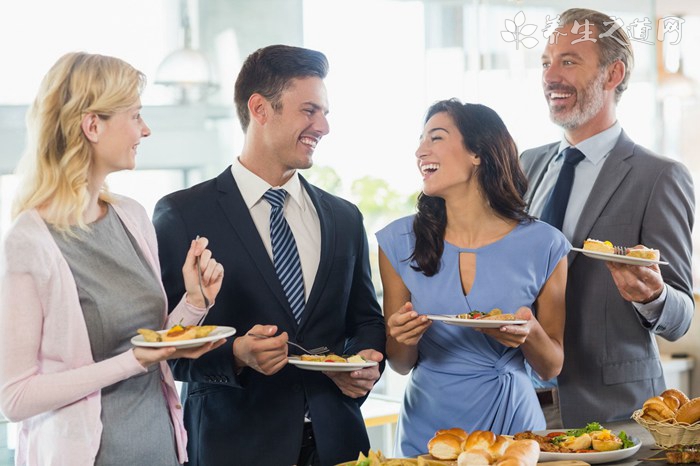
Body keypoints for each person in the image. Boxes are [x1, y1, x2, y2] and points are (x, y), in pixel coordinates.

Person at [152, 44, 386, 466]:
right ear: (260, 109)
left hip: (340, 445)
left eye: (326, 112)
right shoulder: (183, 214)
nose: (324, 127)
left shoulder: (344, 217)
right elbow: (164, 348)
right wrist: (236, 354)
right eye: (310, 111)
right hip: (234, 447)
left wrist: (369, 360)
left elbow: (366, 319)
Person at [0, 52, 225, 466]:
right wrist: (132, 361)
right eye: (136, 115)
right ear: (92, 125)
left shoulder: (131, 216)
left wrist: (194, 302)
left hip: (160, 450)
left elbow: (152, 345)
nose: (146, 129)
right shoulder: (29, 240)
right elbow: (15, 397)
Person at [521, 8, 695, 428]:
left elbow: (681, 315)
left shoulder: (659, 177)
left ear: (613, 74)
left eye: (569, 61)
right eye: (546, 62)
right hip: (522, 407)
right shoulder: (526, 166)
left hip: (613, 414)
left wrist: (652, 296)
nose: (550, 77)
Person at [376, 99, 570, 457]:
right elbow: (400, 363)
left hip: (514, 431)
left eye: (435, 138)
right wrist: (401, 337)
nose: (420, 150)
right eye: (421, 140)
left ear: (477, 152)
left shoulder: (546, 244)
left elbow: (551, 364)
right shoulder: (398, 242)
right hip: (430, 430)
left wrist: (528, 333)